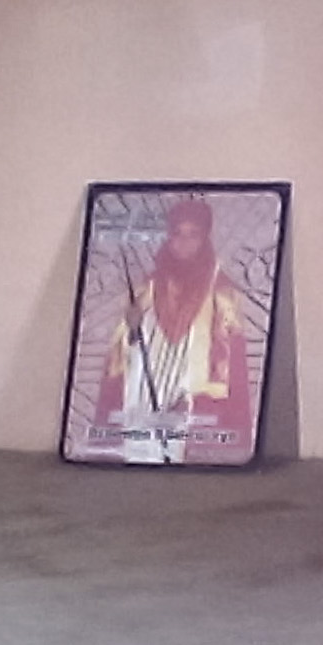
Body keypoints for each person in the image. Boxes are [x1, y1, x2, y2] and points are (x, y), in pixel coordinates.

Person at [92, 197, 252, 465]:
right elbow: (125, 346)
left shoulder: (221, 291)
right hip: (146, 389)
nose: (184, 242)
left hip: (192, 394)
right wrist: (132, 328)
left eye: (193, 235)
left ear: (204, 239)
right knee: (142, 455)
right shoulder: (149, 286)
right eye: (177, 234)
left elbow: (229, 356)